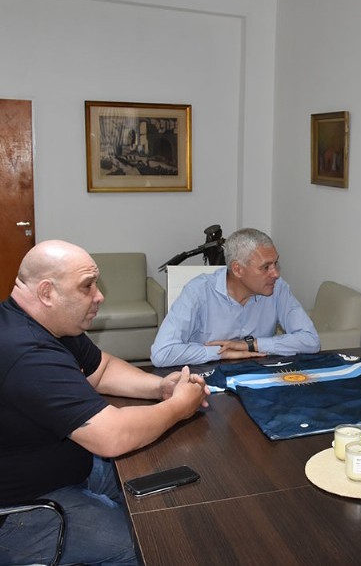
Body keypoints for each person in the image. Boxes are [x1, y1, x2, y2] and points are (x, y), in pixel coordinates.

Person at [0, 240, 210, 565]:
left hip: (67, 469)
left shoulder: (52, 324)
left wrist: (161, 387)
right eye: (87, 287)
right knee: (148, 545)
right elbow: (109, 436)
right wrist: (179, 407)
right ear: (46, 293)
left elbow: (102, 369)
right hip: (23, 509)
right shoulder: (26, 352)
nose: (99, 296)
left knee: (172, 492)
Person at [151, 228, 320, 367]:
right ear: (238, 269)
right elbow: (162, 353)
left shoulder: (278, 288)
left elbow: (311, 341)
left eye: (276, 263)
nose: (275, 273)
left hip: (258, 377)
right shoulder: (198, 292)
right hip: (208, 382)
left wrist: (252, 344)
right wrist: (220, 353)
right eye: (266, 267)